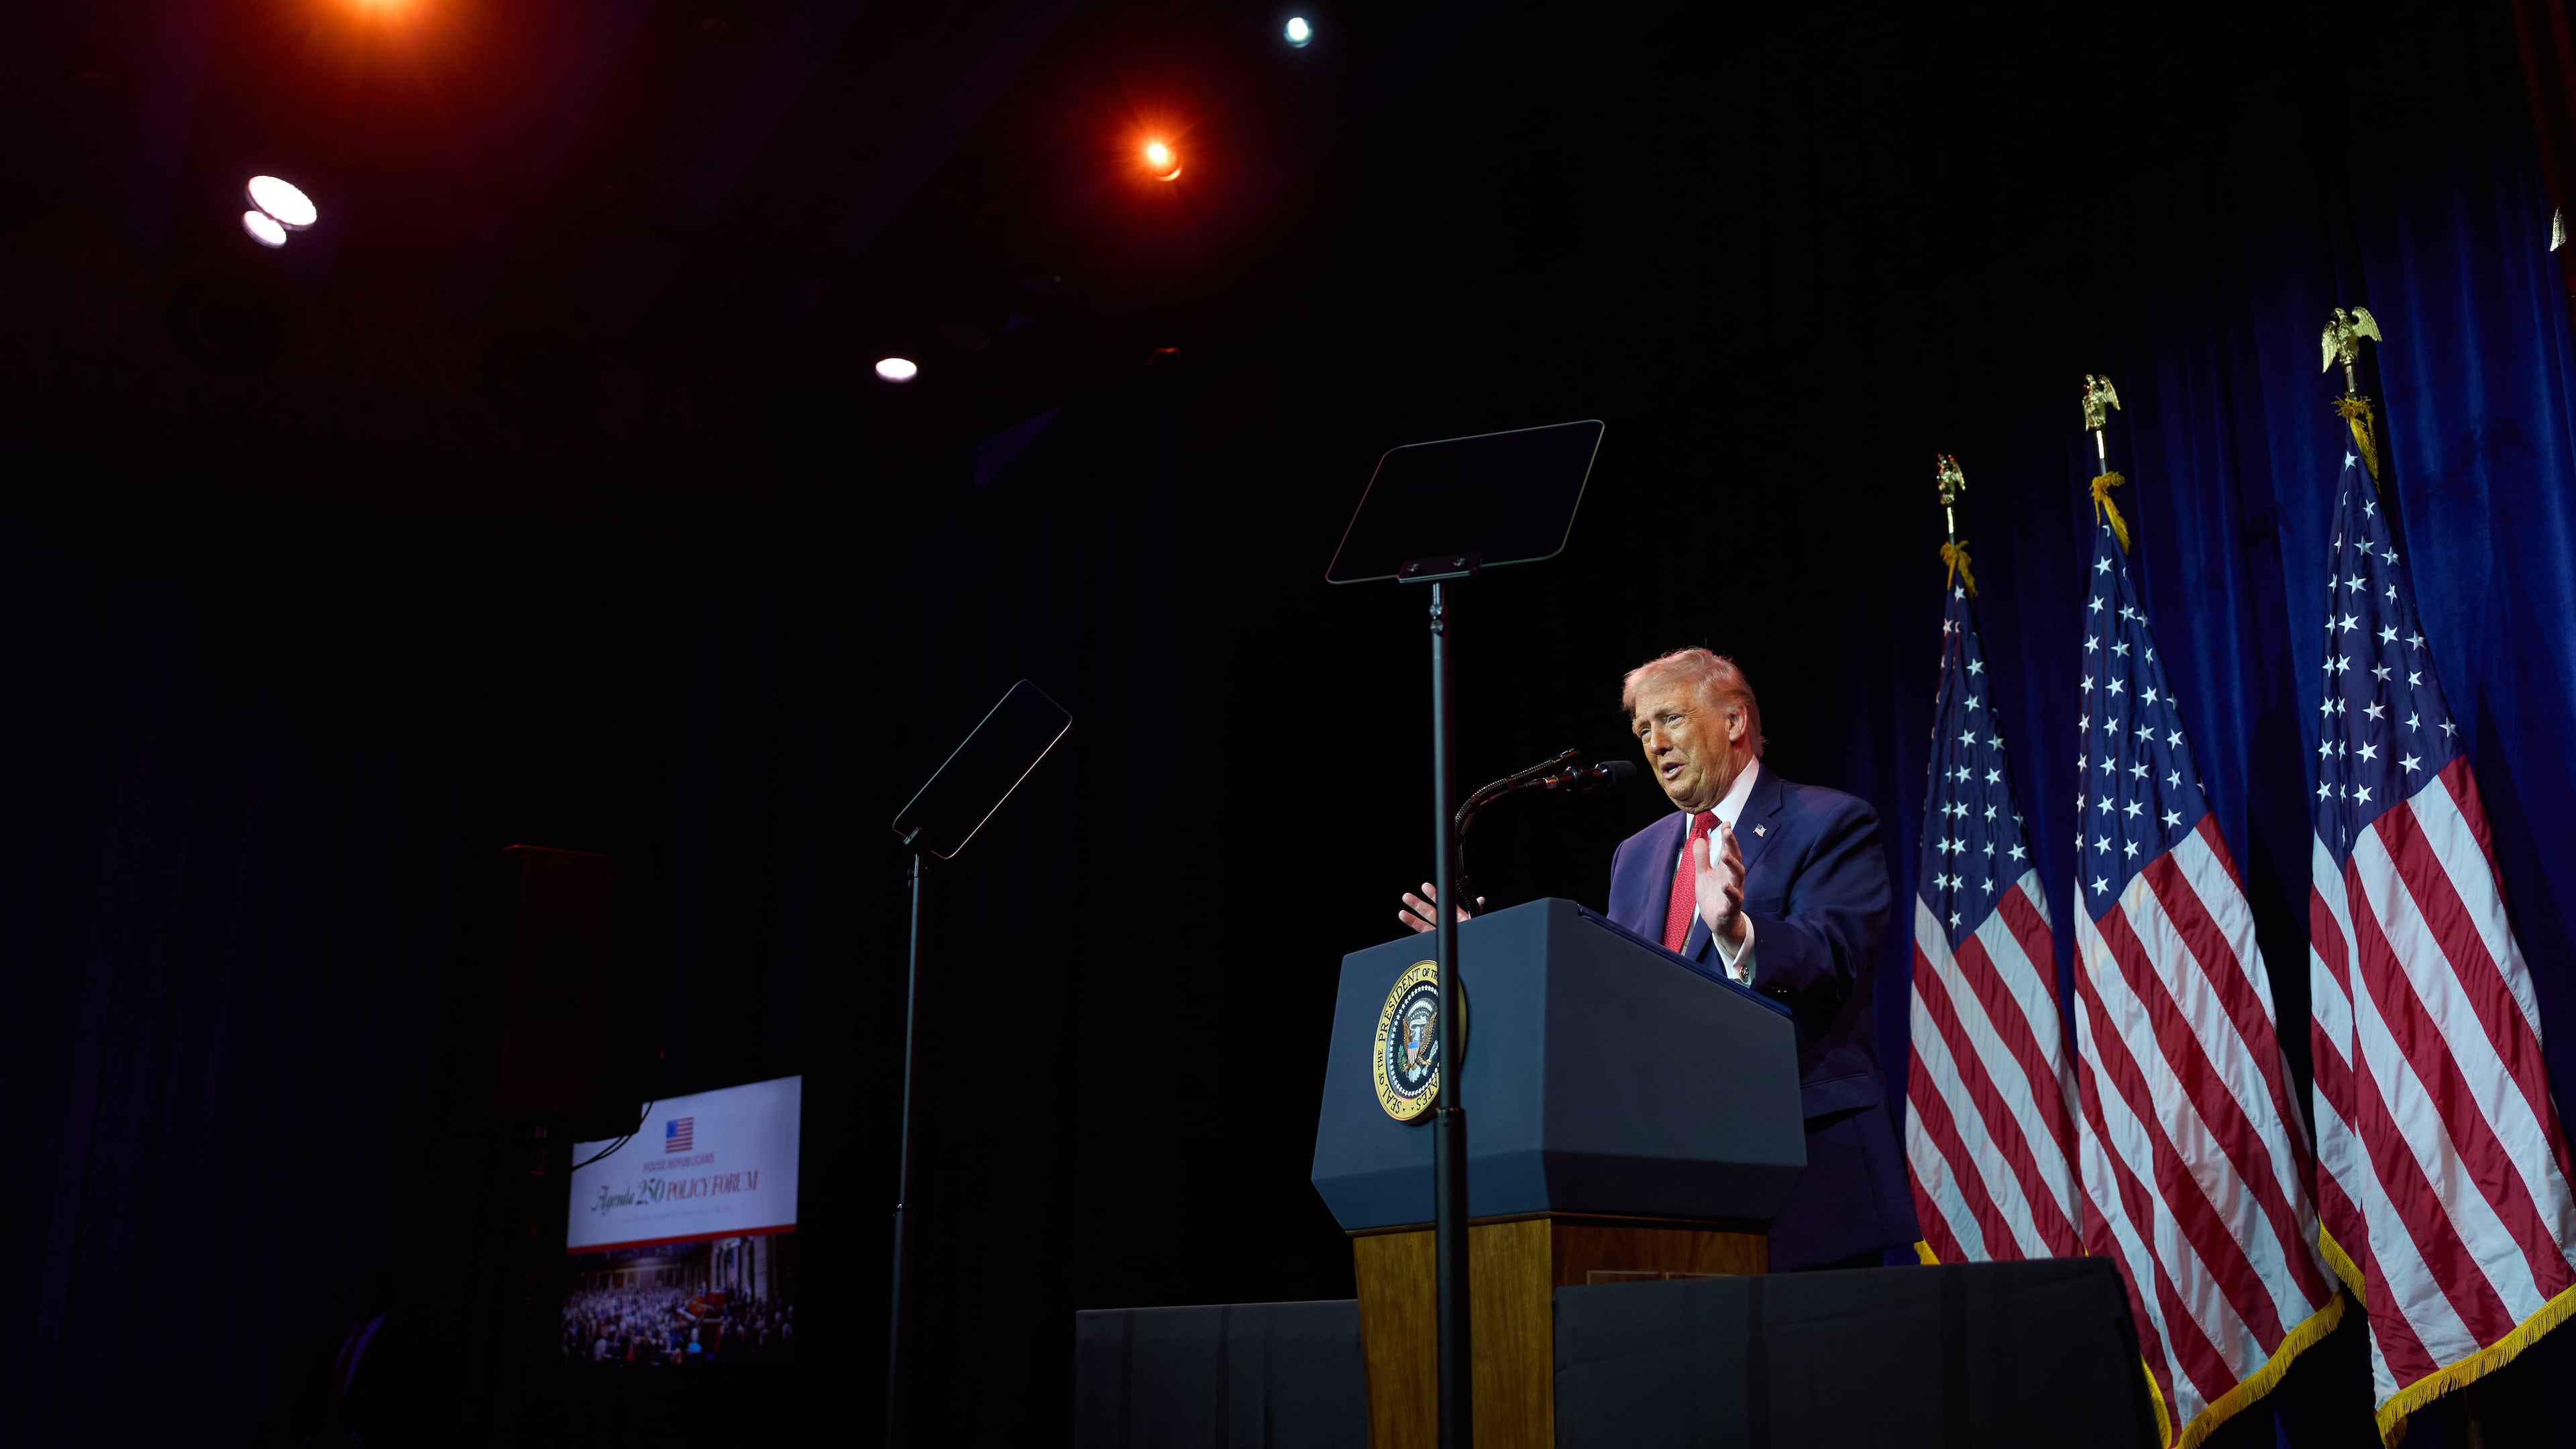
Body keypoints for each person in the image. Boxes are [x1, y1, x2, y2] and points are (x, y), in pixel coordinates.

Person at [1399, 647, 1914, 1271]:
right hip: (1669, 1180)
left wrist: (1738, 931)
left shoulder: (1829, 821)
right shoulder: (1637, 855)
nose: (1653, 742)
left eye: (1670, 718)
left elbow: (1835, 956)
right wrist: (1491, 952)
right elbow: (1611, 992)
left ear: (1734, 722)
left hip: (1801, 1170)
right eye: (1642, 729)